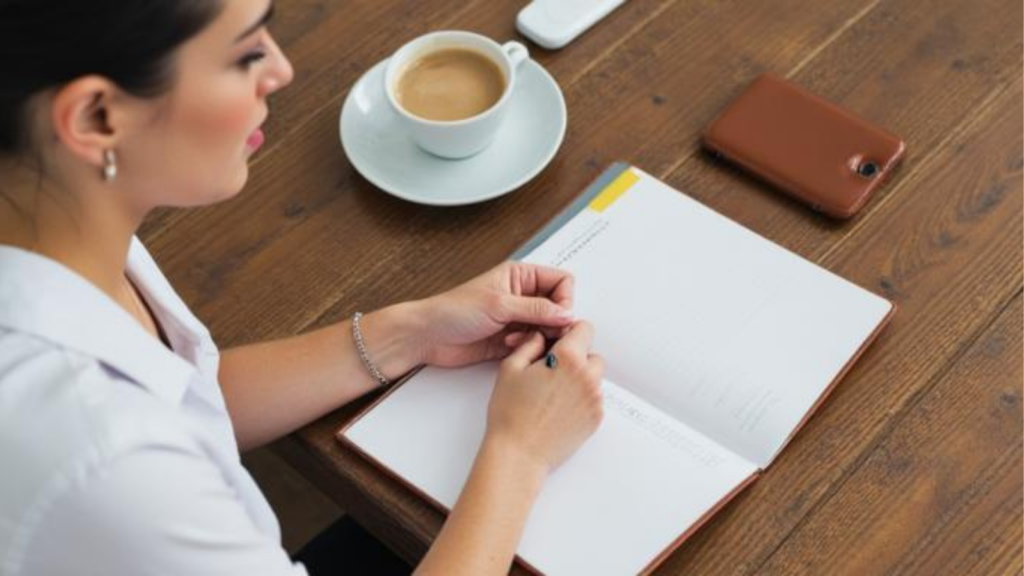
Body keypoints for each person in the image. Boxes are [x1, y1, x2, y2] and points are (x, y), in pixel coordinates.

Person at [0, 1, 606, 575]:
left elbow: (188, 400)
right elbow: (135, 436)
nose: (281, 70)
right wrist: (520, 455)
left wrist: (410, 332)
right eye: (244, 55)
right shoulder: (105, 462)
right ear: (96, 118)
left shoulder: (47, 216)